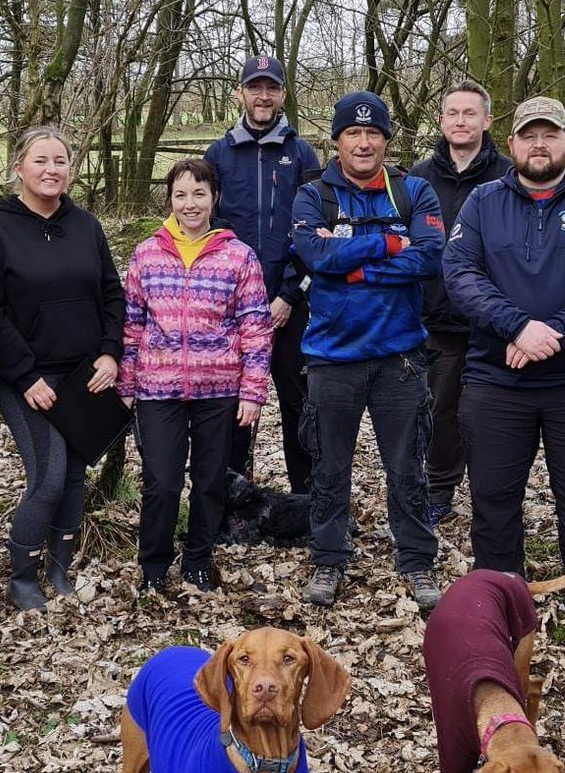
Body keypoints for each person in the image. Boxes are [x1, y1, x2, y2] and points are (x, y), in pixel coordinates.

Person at [441, 95, 565, 656]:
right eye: (530, 135)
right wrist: (517, 327)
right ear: (513, 144)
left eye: (551, 135)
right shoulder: (483, 203)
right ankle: (499, 609)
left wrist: (552, 333)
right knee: (494, 498)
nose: (540, 145)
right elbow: (461, 275)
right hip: (497, 381)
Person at [290, 90, 444, 611]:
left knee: (408, 466)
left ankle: (418, 561)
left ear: (384, 140)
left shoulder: (413, 190)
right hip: (332, 357)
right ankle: (328, 559)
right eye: (352, 133)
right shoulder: (314, 195)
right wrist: (387, 244)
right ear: (336, 141)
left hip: (399, 355)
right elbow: (313, 254)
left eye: (372, 133)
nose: (362, 142)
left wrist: (349, 260)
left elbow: (429, 259)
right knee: (329, 466)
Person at [0, 126, 125, 609]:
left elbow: (111, 294)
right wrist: (24, 375)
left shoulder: (85, 225)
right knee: (49, 477)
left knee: (76, 475)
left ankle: (59, 569)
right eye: (40, 161)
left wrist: (110, 351)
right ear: (18, 167)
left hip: (85, 375)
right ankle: (21, 575)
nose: (51, 170)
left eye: (60, 161)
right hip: (30, 380)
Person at [117, 158, 272, 593]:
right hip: (157, 388)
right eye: (181, 194)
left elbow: (256, 328)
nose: (190, 204)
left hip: (219, 388)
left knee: (209, 482)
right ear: (170, 199)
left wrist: (253, 391)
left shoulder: (238, 256)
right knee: (161, 483)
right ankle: (153, 566)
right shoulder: (147, 253)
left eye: (199, 194)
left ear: (214, 198)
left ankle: (199, 560)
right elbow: (131, 324)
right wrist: (127, 383)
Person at [204, 54, 320, 493]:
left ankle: (306, 499)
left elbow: (313, 230)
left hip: (290, 303)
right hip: (232, 308)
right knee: (233, 404)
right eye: (255, 87)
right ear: (241, 93)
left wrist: (290, 295)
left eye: (271, 88)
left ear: (283, 95)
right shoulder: (218, 154)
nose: (263, 95)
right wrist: (232, 297)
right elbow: (206, 227)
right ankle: (232, 495)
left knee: (298, 402)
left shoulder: (301, 152)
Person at [409, 79, 510, 524]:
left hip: (495, 320)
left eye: (471, 113)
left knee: (494, 412)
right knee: (441, 409)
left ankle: (496, 494)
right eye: (453, 113)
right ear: (442, 120)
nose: (461, 121)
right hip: (436, 318)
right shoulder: (418, 177)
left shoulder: (508, 175)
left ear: (487, 121)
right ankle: (439, 489)